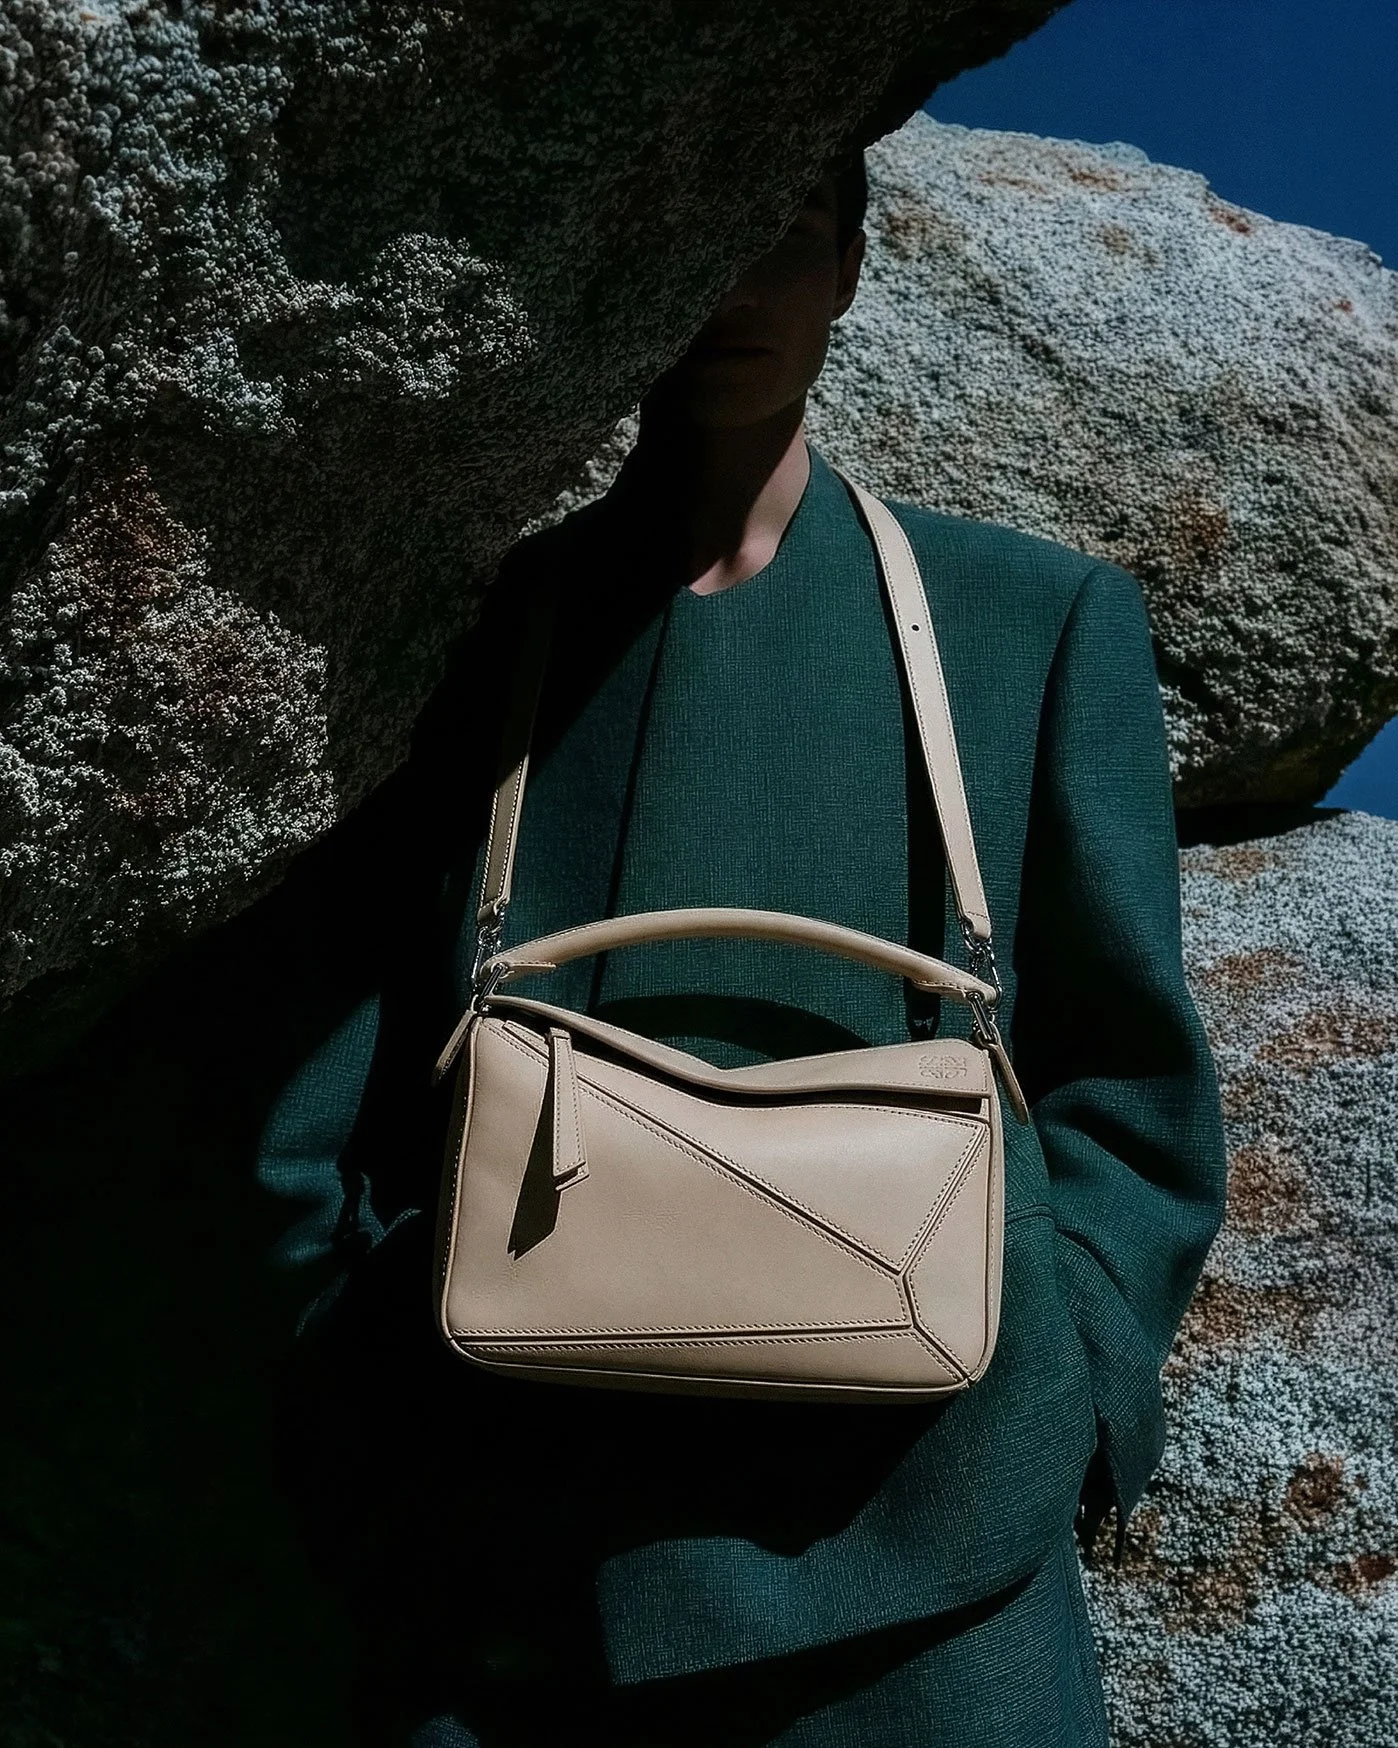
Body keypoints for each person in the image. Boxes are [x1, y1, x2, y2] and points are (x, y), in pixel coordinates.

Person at [264, 147, 1227, 1746]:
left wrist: (1066, 1386)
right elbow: (319, 1085)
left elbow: (1134, 1082)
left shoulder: (1030, 623)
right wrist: (353, 1369)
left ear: (848, 266)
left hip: (933, 1546)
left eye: (780, 234)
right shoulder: (465, 638)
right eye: (693, 230)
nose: (732, 288)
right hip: (504, 1542)